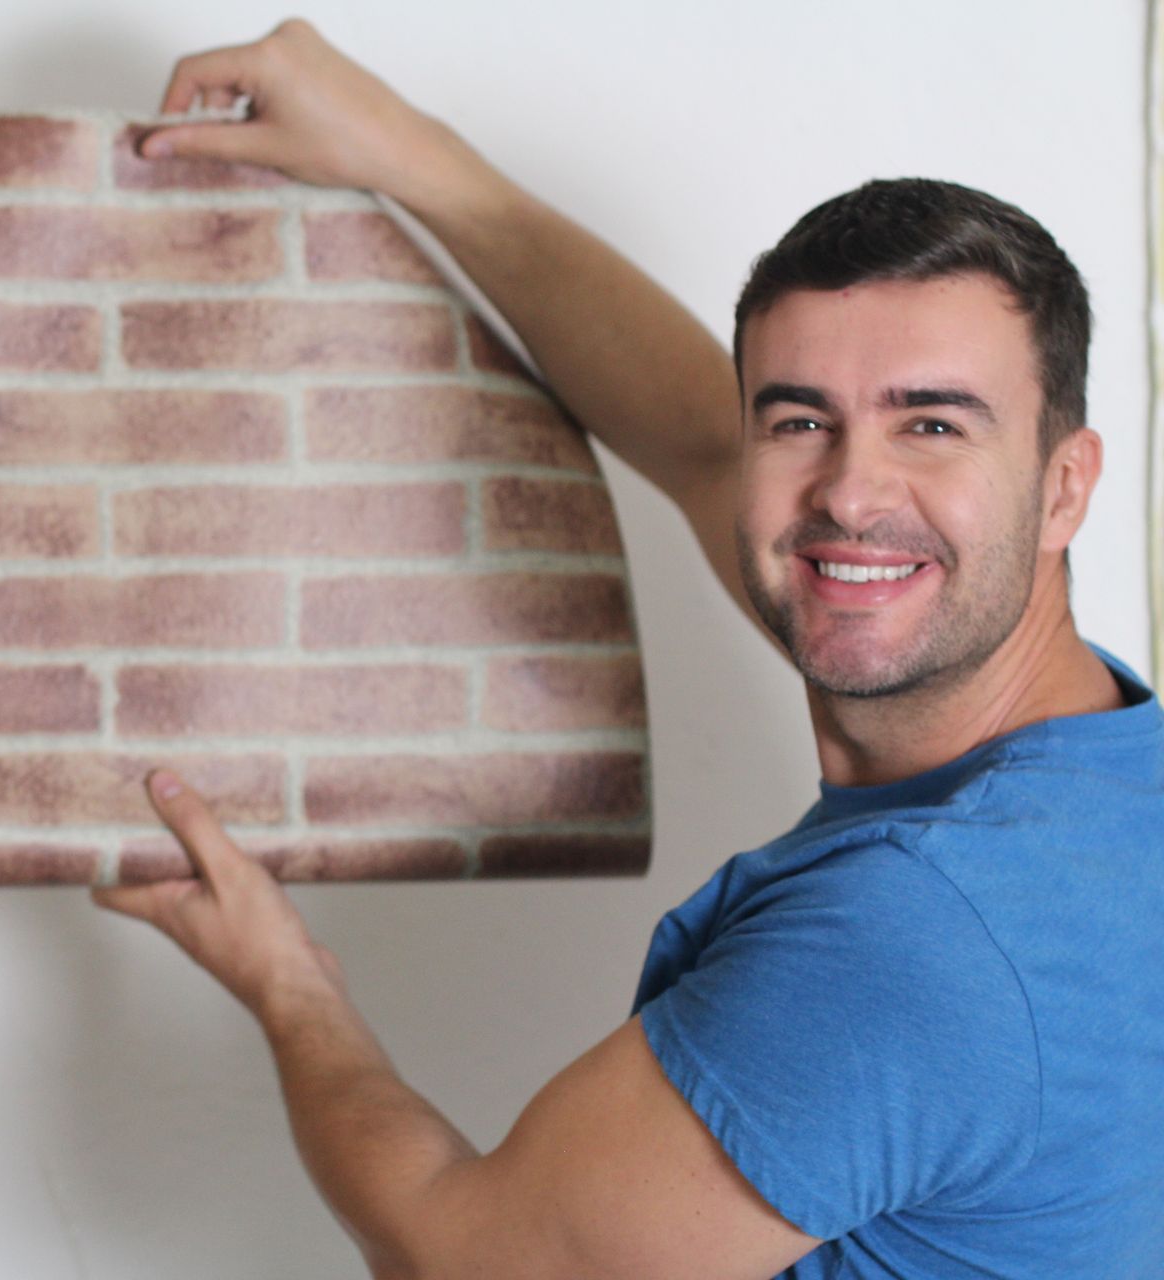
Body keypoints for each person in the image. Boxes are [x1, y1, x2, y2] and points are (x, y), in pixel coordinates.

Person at [90, 18, 1164, 1280]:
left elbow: (463, 1255)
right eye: (801, 419)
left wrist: (286, 977)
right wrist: (409, 156)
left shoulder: (920, 937)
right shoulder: (1104, 783)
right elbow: (700, 440)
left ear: (1064, 485)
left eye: (932, 423)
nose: (851, 492)